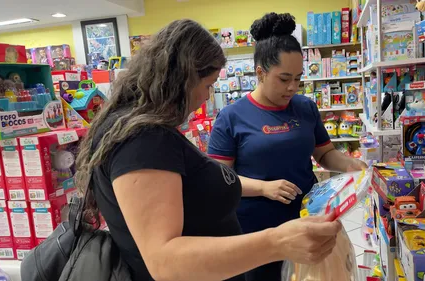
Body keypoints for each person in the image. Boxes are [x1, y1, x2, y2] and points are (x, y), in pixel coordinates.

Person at [74, 19, 343, 281]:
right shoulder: (144, 140)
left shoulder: (141, 131)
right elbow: (164, 260)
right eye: (208, 85)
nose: (206, 96)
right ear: (182, 79)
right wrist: (277, 242)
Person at [208, 13, 367, 281]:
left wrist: (352, 165)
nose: (292, 87)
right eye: (284, 79)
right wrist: (263, 188)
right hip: (257, 230)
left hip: (309, 220)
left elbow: (325, 154)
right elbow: (218, 179)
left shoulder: (305, 108)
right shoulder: (232, 117)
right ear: (260, 72)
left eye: (298, 78)